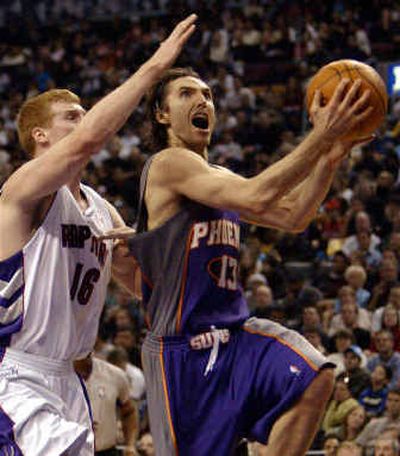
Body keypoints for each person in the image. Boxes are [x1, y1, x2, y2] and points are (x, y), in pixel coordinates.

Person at [107, 68, 372, 455]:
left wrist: (328, 160)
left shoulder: (220, 177)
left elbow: (293, 216)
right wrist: (321, 135)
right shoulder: (168, 164)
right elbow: (257, 196)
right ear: (162, 115)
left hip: (235, 336)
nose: (203, 101)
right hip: (183, 351)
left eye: (209, 94)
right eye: (186, 94)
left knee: (316, 374)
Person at [0, 14, 197, 455]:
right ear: (41, 136)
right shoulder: (24, 189)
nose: (85, 121)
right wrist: (154, 68)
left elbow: (143, 291)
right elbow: (89, 140)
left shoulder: (101, 209)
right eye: (72, 117)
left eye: (85, 115)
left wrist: (155, 248)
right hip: (16, 375)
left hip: (71, 379)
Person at [74, 354, 137, 456]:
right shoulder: (55, 376)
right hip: (72, 451)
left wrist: (130, 444)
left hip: (107, 451)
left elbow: (129, 412)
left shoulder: (115, 374)